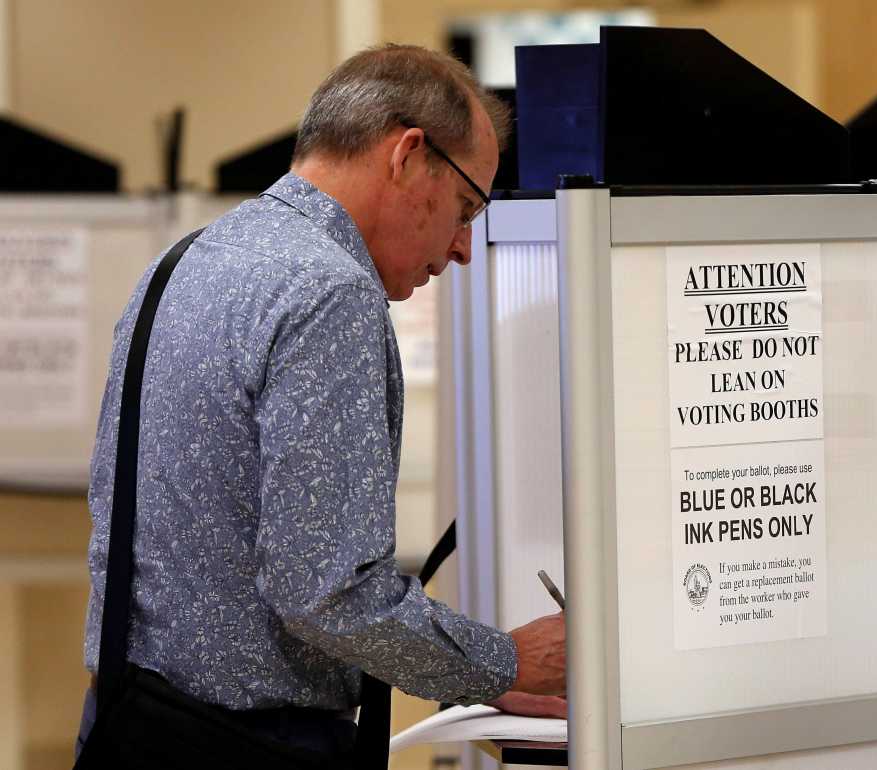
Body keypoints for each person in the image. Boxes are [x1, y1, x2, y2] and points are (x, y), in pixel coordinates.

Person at [78, 45, 565, 761]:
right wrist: (506, 662)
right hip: (248, 743)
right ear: (407, 155)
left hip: (128, 721)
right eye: (466, 207)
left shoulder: (184, 260)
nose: (464, 247)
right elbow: (328, 592)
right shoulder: (328, 292)